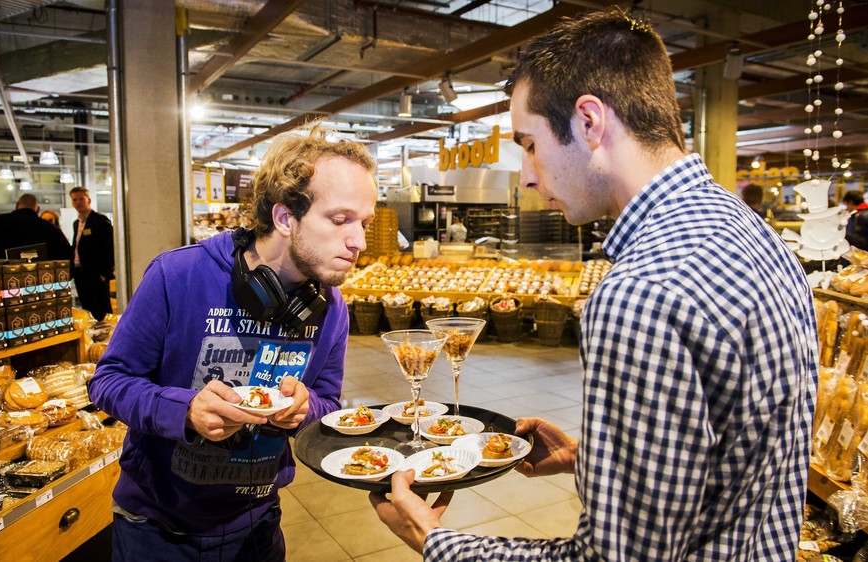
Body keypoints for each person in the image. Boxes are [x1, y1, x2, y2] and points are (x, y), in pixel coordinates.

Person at [371, 9, 816, 561]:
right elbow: (741, 455)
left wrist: (434, 540)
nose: (529, 176)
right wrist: (604, 458)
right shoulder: (752, 234)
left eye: (530, 143)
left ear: (589, 122)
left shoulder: (639, 292)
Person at [88, 126, 378, 561]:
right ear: (284, 218)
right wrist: (184, 410)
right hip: (159, 530)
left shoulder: (331, 307)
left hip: (259, 524)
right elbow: (108, 381)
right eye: (340, 220)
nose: (358, 241)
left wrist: (303, 410)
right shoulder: (177, 275)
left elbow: (327, 404)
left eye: (364, 223)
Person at [70, 185, 115, 320]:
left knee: (101, 311)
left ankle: (108, 339)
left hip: (96, 275)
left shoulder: (100, 221)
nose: (78, 202)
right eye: (74, 200)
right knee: (87, 310)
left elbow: (110, 247)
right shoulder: (76, 223)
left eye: (81, 199)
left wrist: (104, 274)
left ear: (88, 200)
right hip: (80, 274)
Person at [0, 193, 72, 260]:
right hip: (41, 275)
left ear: (17, 205)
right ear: (38, 209)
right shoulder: (50, 228)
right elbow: (66, 254)